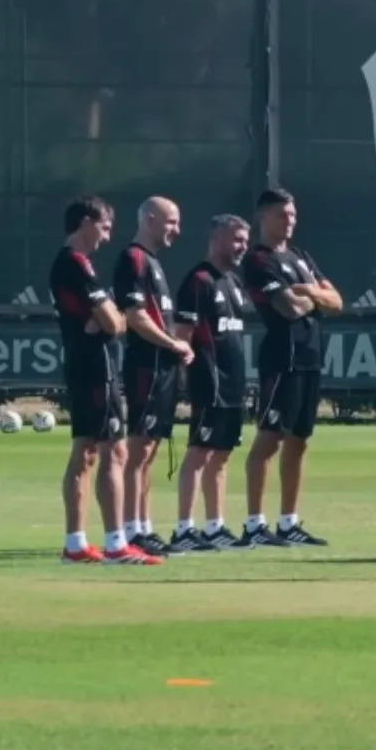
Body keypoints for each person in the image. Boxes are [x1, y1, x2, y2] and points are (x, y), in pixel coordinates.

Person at [49, 196, 156, 565]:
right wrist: (109, 318)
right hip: (95, 367)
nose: (108, 236)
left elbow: (113, 319)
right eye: (105, 226)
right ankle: (115, 544)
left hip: (93, 365)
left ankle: (77, 544)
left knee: (89, 451)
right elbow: (114, 322)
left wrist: (110, 318)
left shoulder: (78, 265)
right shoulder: (75, 265)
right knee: (111, 450)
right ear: (84, 222)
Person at [242, 187, 342, 547]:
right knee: (269, 438)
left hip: (310, 357)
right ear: (264, 216)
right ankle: (254, 524)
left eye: (294, 215)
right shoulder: (258, 259)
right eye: (283, 215)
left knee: (299, 440)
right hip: (280, 358)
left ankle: (288, 522)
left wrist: (308, 290)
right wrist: (312, 294)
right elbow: (288, 308)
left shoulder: (300, 256)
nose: (290, 221)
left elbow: (336, 301)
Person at [114, 197, 193, 557]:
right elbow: (135, 317)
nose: (176, 229)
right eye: (171, 221)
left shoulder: (154, 263)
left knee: (153, 448)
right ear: (150, 218)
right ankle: (130, 529)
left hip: (163, 366)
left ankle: (143, 525)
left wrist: (176, 348)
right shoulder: (133, 258)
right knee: (140, 447)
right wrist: (173, 343)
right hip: (145, 364)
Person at [170, 215, 254, 553]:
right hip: (210, 381)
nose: (242, 246)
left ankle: (215, 526)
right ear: (217, 239)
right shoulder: (198, 280)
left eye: (245, 240)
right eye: (236, 239)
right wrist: (187, 377)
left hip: (234, 383)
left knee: (222, 455)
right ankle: (183, 529)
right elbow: (183, 337)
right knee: (199, 453)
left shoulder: (232, 281)